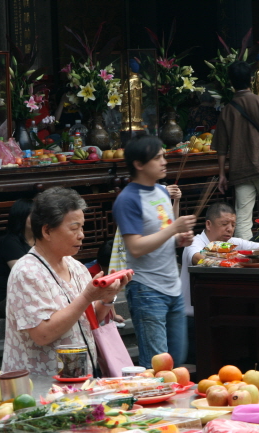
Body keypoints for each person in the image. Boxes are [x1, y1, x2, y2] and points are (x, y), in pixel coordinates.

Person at [2, 187, 131, 376]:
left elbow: (90, 318)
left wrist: (107, 298)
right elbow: (42, 334)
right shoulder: (26, 272)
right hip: (41, 386)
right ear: (47, 231)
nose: (81, 235)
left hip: (80, 378)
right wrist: (87, 296)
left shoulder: (76, 266)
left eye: (82, 227)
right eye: (74, 228)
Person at [112, 135, 196, 368]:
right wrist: (173, 230)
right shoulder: (127, 199)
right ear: (139, 164)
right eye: (157, 157)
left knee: (177, 360)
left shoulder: (161, 191)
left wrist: (179, 238)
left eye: (163, 156)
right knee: (157, 366)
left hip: (173, 286)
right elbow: (136, 247)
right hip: (147, 290)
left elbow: (162, 235)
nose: (164, 161)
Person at [180, 202, 259, 364]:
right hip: (192, 319)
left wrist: (246, 255)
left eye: (233, 224)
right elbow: (197, 258)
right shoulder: (196, 242)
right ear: (209, 224)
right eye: (224, 224)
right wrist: (229, 259)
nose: (230, 229)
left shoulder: (232, 243)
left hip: (219, 316)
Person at [212, 61, 259, 240]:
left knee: (243, 218)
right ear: (251, 80)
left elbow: (221, 148)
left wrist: (222, 174)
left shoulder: (227, 111)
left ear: (231, 82)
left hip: (240, 170)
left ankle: (243, 260)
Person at [0, 198, 34, 318]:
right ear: (21, 217)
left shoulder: (41, 240)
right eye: (33, 215)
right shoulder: (10, 242)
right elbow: (24, 274)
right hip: (6, 300)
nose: (38, 220)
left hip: (32, 294)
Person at [86, 240, 125, 326]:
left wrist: (114, 315)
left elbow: (109, 295)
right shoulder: (92, 273)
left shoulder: (103, 269)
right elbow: (104, 296)